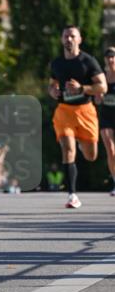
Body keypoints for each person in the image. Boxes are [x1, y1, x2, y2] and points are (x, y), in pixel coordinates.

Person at [49, 25, 106, 209]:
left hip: (85, 111)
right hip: (64, 111)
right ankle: (72, 195)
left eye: (73, 36)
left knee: (91, 156)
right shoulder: (57, 63)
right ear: (61, 40)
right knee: (67, 148)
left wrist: (82, 88)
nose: (69, 39)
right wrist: (53, 91)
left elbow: (102, 87)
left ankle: (82, 143)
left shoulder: (88, 62)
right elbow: (51, 85)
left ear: (79, 39)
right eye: (66, 36)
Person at [96, 47, 115, 196]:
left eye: (113, 56)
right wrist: (99, 97)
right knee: (110, 149)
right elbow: (96, 99)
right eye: (108, 57)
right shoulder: (101, 76)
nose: (111, 59)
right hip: (106, 117)